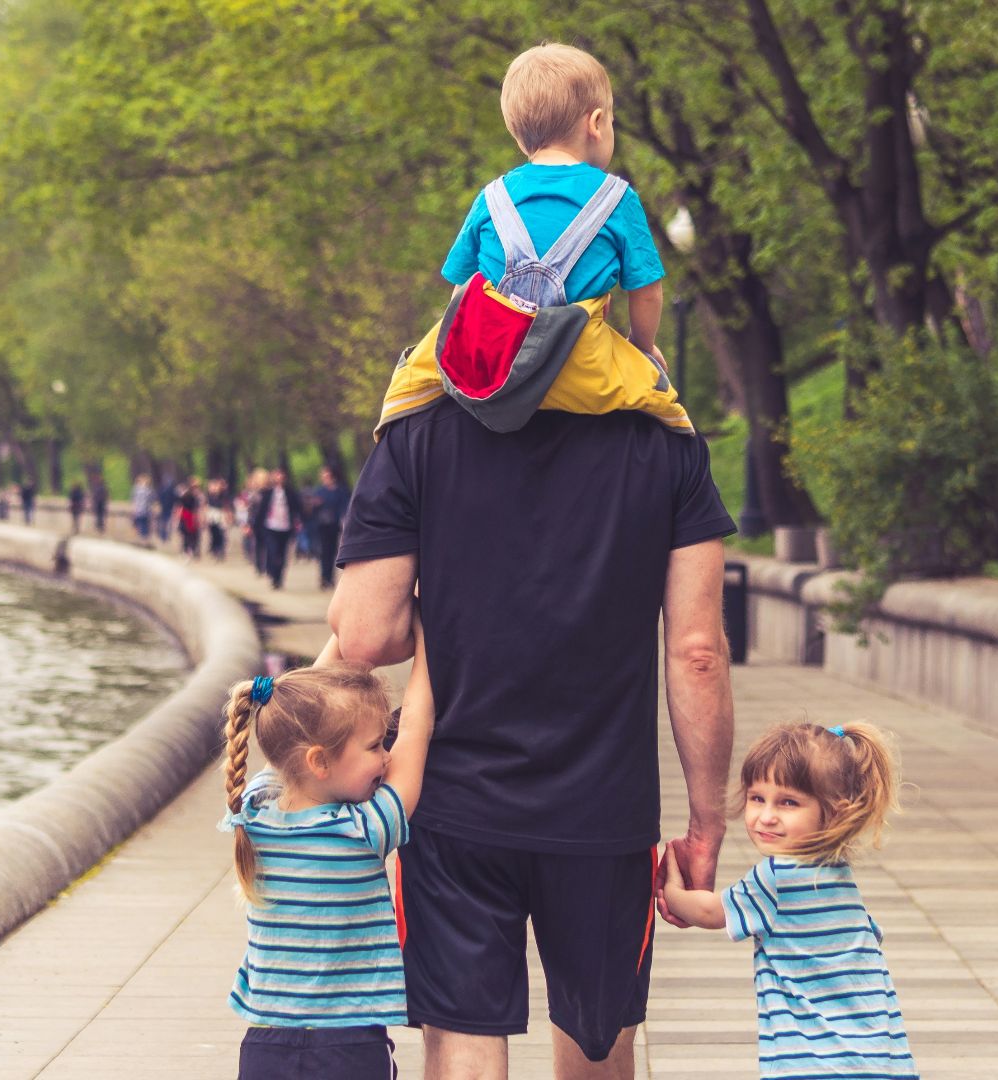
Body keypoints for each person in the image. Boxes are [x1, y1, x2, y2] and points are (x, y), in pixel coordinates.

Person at [326, 48, 735, 1075]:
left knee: (463, 1044)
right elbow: (693, 650)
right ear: (598, 124)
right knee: (599, 1044)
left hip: (452, 799)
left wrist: (458, 613)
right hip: (604, 809)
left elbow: (363, 635)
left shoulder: (419, 429)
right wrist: (706, 823)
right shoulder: (664, 439)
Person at [370, 43, 689, 443]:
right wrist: (642, 347)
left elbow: (461, 295)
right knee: (671, 418)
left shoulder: (491, 198)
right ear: (596, 123)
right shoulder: (618, 199)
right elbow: (647, 292)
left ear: (521, 139)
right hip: (583, 367)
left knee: (406, 389)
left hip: (497, 363)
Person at [220, 630, 435, 1079]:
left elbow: (294, 728)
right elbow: (416, 730)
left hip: (263, 1044)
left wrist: (348, 632)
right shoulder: (362, 831)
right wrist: (427, 638)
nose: (385, 758)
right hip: (349, 1046)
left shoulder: (253, 813)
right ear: (318, 761)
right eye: (375, 746)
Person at [658, 722, 917, 1080]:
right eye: (757, 798)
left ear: (834, 812)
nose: (766, 816)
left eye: (789, 803)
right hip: (883, 1060)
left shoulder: (778, 876)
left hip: (810, 1062)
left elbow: (709, 911)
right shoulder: (839, 876)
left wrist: (671, 891)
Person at [253, 469, 306, 590]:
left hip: (285, 527)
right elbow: (261, 511)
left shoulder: (290, 493)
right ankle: (272, 573)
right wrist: (256, 526)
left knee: (282, 554)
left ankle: (279, 578)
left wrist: (301, 521)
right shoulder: (268, 493)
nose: (279, 480)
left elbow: (298, 508)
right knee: (273, 551)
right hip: (270, 527)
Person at [307, 466, 350, 590]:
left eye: (326, 475)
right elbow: (311, 510)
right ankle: (324, 577)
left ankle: (330, 578)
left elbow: (344, 507)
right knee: (324, 552)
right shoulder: (319, 491)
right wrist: (315, 505)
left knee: (332, 553)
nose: (324, 477)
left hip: (334, 525)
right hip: (321, 526)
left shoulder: (340, 491)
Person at [206, 478, 231, 561]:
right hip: (212, 516)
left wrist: (228, 516)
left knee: (221, 534)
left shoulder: (223, 495)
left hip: (220, 516)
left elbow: (226, 506)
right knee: (213, 534)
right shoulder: (209, 496)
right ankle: (215, 549)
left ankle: (220, 550)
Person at [177, 477, 201, 558]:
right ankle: (187, 549)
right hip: (188, 515)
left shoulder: (198, 495)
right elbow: (181, 506)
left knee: (194, 534)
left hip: (193, 515)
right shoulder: (187, 495)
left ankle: (193, 550)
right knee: (187, 534)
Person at [130, 473, 154, 543]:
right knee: (142, 525)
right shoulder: (147, 490)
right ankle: (143, 539)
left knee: (141, 525)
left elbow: (133, 500)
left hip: (141, 510)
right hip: (142, 510)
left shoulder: (137, 489)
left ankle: (142, 539)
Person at [156, 473, 178, 544]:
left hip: (165, 508)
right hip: (168, 508)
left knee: (164, 523)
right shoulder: (172, 490)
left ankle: (164, 536)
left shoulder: (161, 489)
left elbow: (158, 498)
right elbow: (176, 499)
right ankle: (165, 536)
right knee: (167, 523)